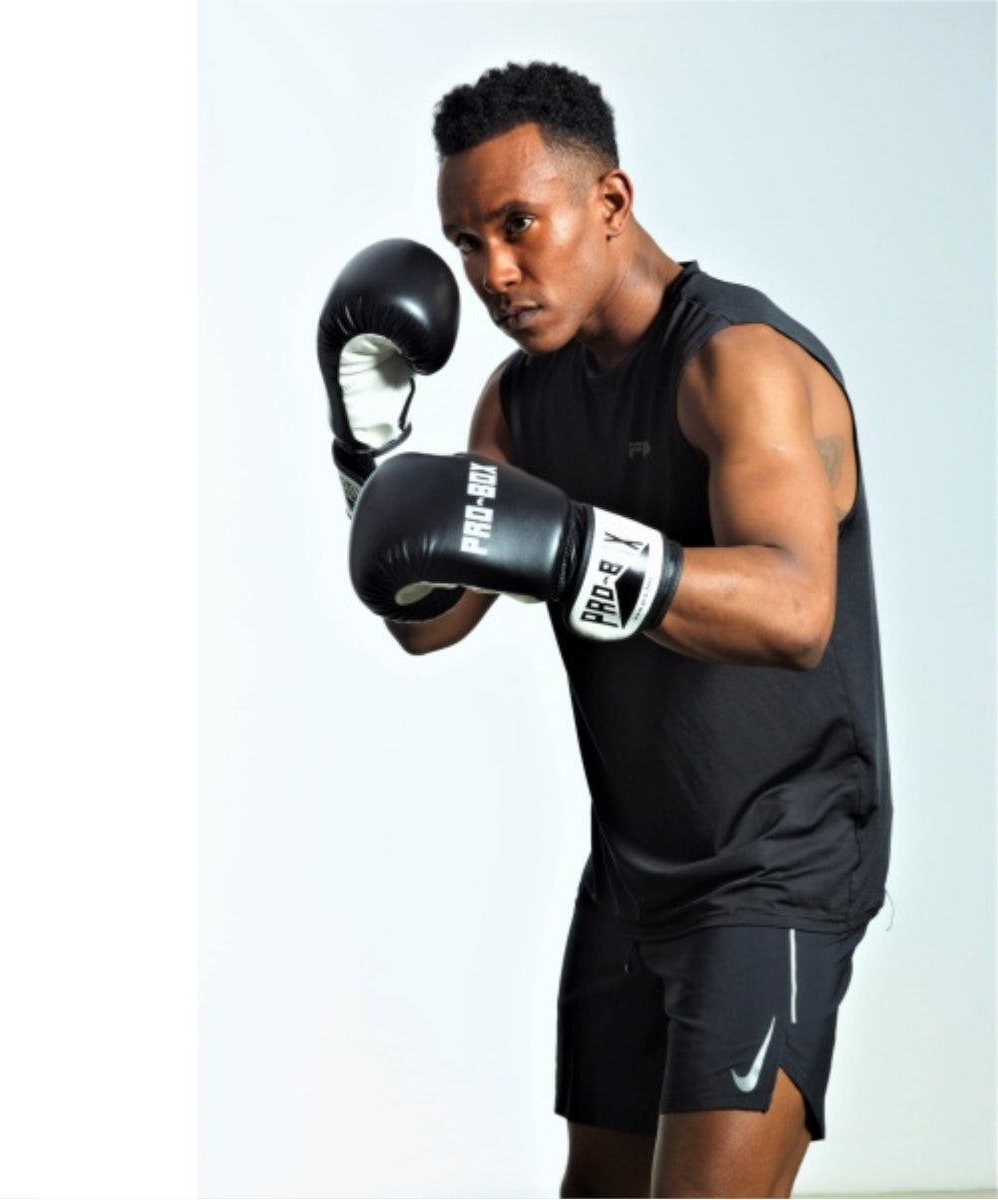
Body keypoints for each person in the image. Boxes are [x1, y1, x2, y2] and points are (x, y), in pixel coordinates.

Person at [323, 62, 891, 1198]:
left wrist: (577, 544)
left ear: (610, 202)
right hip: (632, 873)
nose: (493, 272)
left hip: (775, 868)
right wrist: (365, 450)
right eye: (467, 241)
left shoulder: (738, 363)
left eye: (517, 225)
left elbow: (795, 610)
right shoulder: (519, 403)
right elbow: (429, 622)